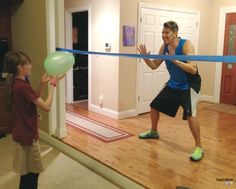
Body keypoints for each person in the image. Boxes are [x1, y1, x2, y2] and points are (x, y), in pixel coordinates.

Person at [138, 21, 203, 161]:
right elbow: (154, 65)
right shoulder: (164, 48)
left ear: (175, 33)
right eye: (163, 32)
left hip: (189, 85)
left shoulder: (186, 45)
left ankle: (199, 147)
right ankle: (154, 131)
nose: (163, 35)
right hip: (174, 84)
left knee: (191, 115)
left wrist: (176, 61)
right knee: (154, 105)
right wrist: (146, 59)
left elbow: (193, 69)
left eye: (166, 32)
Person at [4, 50, 61, 189]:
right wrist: (53, 87)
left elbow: (32, 98)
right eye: (28, 63)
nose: (31, 66)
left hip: (21, 133)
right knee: (32, 173)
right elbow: (46, 107)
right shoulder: (23, 87)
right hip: (27, 136)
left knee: (27, 173)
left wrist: (42, 84)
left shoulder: (17, 83)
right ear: (20, 67)